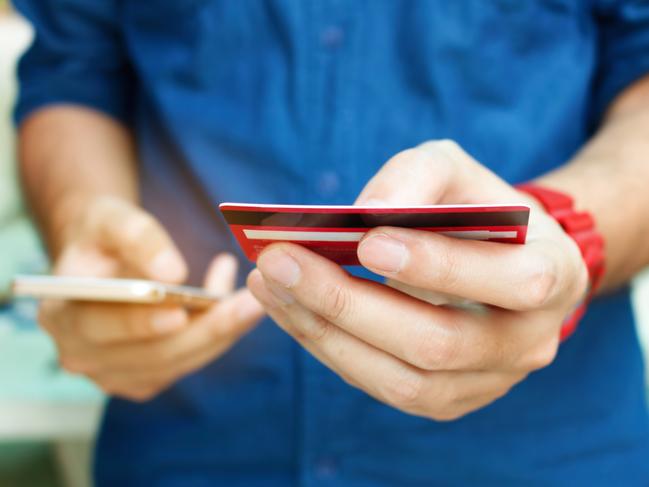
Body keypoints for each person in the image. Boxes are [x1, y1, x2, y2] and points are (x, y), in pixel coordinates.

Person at [13, 1, 649, 485]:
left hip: (544, 451)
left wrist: (569, 228)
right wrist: (83, 224)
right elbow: (72, 74)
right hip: (188, 442)